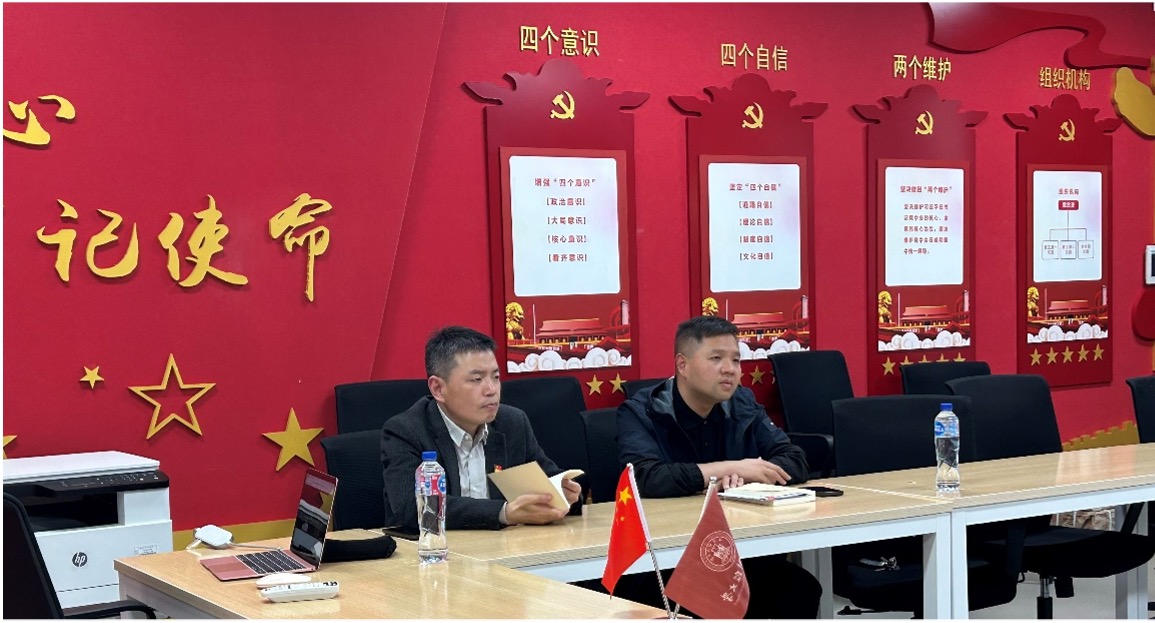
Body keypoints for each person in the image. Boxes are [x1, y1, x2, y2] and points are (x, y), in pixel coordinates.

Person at [614, 315, 823, 619]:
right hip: (667, 558)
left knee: (799, 588)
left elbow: (793, 460)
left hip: (735, 550)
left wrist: (745, 479)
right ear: (682, 365)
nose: (730, 369)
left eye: (736, 360)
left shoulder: (742, 403)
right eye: (716, 358)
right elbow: (647, 478)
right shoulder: (641, 411)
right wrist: (730, 469)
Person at [381, 326, 581, 531]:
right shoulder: (406, 431)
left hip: (504, 545)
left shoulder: (512, 423)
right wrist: (503, 513)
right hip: (435, 548)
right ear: (438, 389)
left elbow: (549, 478)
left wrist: (564, 493)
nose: (491, 390)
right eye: (477, 380)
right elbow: (411, 507)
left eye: (495, 377)